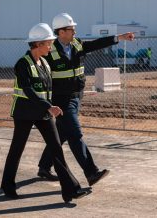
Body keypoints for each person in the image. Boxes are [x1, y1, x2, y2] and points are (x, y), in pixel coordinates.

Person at [37, 13, 135, 186]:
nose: (74, 31)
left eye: (74, 28)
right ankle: (91, 173)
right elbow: (37, 71)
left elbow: (97, 44)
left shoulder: (77, 44)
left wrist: (119, 38)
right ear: (60, 32)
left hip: (76, 97)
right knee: (75, 134)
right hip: (60, 101)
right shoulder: (48, 51)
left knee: (62, 133)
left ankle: (44, 167)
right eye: (71, 29)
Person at [1, 23, 90, 203]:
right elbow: (28, 90)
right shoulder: (22, 64)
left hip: (43, 113)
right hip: (25, 114)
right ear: (38, 44)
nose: (51, 46)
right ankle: (8, 186)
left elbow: (51, 89)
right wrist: (48, 106)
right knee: (16, 150)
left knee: (57, 150)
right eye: (48, 43)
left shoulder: (45, 64)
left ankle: (70, 190)